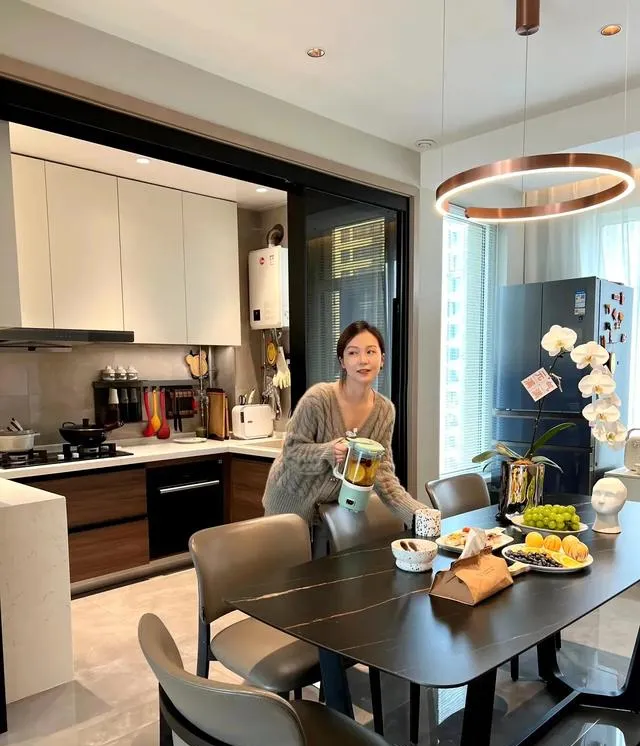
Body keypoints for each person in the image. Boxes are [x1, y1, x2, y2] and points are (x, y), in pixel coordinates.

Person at [263, 320, 424, 529]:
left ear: (382, 359)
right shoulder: (318, 399)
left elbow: (382, 472)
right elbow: (291, 452)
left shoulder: (384, 411)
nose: (363, 360)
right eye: (353, 353)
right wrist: (328, 452)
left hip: (330, 512)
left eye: (370, 351)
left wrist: (420, 516)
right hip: (288, 505)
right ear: (342, 362)